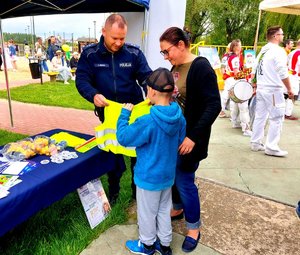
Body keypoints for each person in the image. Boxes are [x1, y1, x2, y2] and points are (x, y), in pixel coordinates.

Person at [76, 13, 152, 204]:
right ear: (103, 32)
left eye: (122, 38)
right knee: (113, 152)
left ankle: (137, 194)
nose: (119, 43)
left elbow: (146, 76)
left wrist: (149, 89)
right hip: (109, 113)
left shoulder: (134, 53)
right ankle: (114, 194)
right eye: (114, 38)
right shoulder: (90, 54)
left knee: (137, 154)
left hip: (134, 112)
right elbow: (82, 80)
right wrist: (93, 95)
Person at [159, 27, 221, 253]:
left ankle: (194, 228)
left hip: (190, 139)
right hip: (174, 137)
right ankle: (177, 209)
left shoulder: (201, 68)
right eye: (163, 53)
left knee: (185, 181)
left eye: (167, 51)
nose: (166, 57)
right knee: (174, 176)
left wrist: (193, 137)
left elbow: (214, 105)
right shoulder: (175, 66)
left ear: (181, 45)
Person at [118, 68, 186, 255]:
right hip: (167, 175)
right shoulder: (179, 116)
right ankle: (164, 245)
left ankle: (147, 245)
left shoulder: (147, 120)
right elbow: (180, 141)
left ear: (152, 92)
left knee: (147, 212)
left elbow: (123, 138)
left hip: (148, 177)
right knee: (164, 209)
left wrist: (124, 115)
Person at [250, 25, 294, 157]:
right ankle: (272, 146)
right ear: (275, 36)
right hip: (273, 88)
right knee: (277, 117)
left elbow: (254, 69)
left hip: (262, 88)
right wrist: (290, 88)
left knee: (260, 116)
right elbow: (282, 71)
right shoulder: (278, 51)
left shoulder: (263, 51)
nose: (283, 36)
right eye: (281, 34)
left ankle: (255, 142)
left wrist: (254, 85)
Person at [227, 40, 252, 136]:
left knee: (236, 105)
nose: (241, 47)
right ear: (236, 47)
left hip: (233, 83)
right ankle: (246, 128)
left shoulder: (230, 56)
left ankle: (235, 122)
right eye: (240, 46)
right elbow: (237, 73)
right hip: (238, 83)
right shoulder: (235, 58)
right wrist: (248, 72)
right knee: (243, 107)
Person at [284, 39, 300, 120]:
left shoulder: (291, 53)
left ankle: (285, 111)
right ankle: (287, 113)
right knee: (292, 95)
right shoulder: (299, 53)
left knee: (286, 94)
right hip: (294, 76)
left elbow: (285, 63)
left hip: (288, 74)